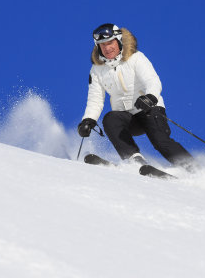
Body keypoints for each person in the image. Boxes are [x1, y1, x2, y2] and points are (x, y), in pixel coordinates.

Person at [78, 23, 195, 170]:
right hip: (128, 118)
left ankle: (193, 169)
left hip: (149, 110)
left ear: (119, 41)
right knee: (110, 119)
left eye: (110, 43)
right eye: (102, 45)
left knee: (160, 141)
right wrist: (88, 120)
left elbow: (152, 80)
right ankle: (134, 160)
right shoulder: (97, 70)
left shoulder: (136, 58)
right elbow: (95, 99)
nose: (107, 48)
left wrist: (150, 97)